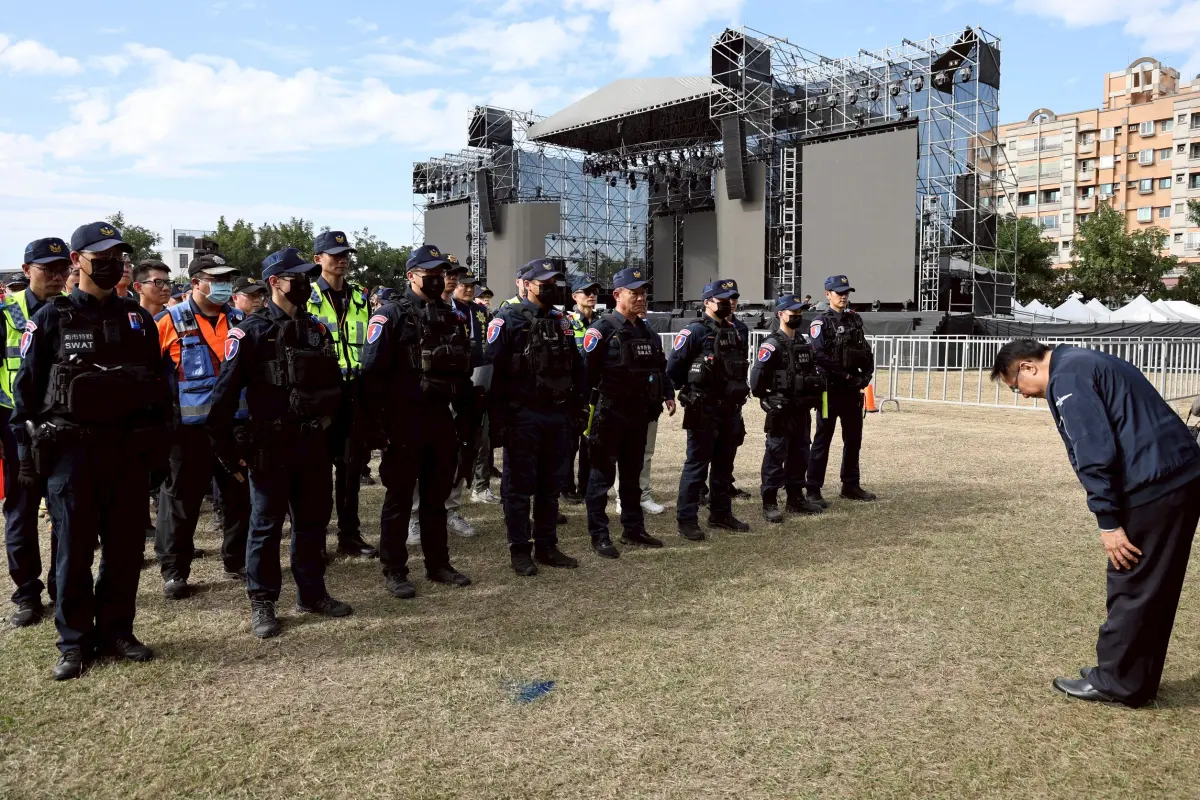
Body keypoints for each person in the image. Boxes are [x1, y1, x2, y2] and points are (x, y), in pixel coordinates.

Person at [993, 340, 1200, 706]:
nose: (1021, 395)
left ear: (1027, 367)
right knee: (1155, 586)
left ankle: (1117, 681)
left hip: (1152, 485)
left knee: (1132, 582)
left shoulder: (1067, 377)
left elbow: (1093, 449)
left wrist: (1109, 523)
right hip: (1177, 474)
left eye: (1014, 387)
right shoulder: (1083, 359)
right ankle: (1136, 678)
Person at [13, 221, 171, 680]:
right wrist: (27, 458)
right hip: (71, 456)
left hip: (126, 454)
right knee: (74, 553)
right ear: (77, 261)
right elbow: (26, 395)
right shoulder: (51, 319)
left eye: (117, 257)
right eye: (99, 256)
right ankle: (75, 642)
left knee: (123, 550)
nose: (110, 264)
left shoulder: (136, 317)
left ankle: (119, 631)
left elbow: (159, 390)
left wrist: (158, 453)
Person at [207, 247, 353, 639]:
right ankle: (263, 601)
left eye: (307, 276)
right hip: (269, 447)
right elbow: (222, 399)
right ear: (275, 282)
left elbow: (335, 390)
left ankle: (312, 593)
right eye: (297, 277)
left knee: (312, 524)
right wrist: (227, 454)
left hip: (312, 445)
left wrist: (338, 439)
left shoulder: (316, 328)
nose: (304, 284)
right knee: (266, 526)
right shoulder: (250, 331)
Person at [361, 244, 474, 599]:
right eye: (430, 271)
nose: (438, 277)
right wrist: (377, 429)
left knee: (435, 499)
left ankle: (438, 564)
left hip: (441, 419)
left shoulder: (452, 316)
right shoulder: (391, 315)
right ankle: (394, 569)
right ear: (411, 275)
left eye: (441, 271)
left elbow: (464, 372)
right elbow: (371, 376)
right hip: (403, 421)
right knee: (398, 500)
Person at [154, 253, 252, 599]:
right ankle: (175, 571)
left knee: (239, 497)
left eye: (229, 278)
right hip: (187, 433)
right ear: (196, 282)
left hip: (234, 429)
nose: (225, 285)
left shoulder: (241, 319)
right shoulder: (167, 321)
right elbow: (152, 375)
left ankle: (236, 560)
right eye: (218, 278)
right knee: (182, 500)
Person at [485, 258, 584, 576]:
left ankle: (547, 546)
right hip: (523, 415)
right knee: (518, 488)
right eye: (544, 281)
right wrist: (498, 422)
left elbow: (577, 367)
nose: (551, 287)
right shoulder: (507, 319)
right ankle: (519, 550)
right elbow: (492, 373)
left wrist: (577, 409)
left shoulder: (562, 320)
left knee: (550, 485)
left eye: (554, 281)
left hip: (557, 414)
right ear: (526, 284)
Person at [581, 267, 674, 558]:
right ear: (617, 294)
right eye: (634, 293)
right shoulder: (602, 329)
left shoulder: (648, 331)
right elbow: (585, 374)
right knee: (601, 477)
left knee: (632, 475)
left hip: (639, 415)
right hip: (610, 414)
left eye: (643, 293)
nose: (641, 298)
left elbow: (660, 367)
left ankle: (633, 529)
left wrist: (669, 393)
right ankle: (599, 534)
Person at [3, 237, 68, 628]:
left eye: (63, 270)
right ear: (27, 271)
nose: (57, 277)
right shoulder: (6, 315)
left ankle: (63, 590)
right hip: (16, 427)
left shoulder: (71, 312)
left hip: (61, 428)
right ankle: (27, 593)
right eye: (47, 270)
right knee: (21, 513)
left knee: (65, 514)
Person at [307, 230, 376, 558]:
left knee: (351, 470)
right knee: (318, 471)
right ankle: (317, 539)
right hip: (321, 392)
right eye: (335, 254)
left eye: (346, 253)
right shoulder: (306, 297)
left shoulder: (361, 297)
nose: (342, 259)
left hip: (355, 391)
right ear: (318, 258)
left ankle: (349, 535)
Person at [667, 279, 751, 541]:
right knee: (696, 466)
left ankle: (721, 514)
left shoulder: (737, 331)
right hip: (703, 409)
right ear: (707, 303)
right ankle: (687, 520)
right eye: (723, 299)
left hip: (729, 410)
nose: (729, 304)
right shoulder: (695, 332)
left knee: (724, 466)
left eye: (732, 298)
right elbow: (674, 370)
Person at [750, 294, 826, 523]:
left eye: (800, 312)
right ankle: (770, 501)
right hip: (781, 410)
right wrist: (767, 400)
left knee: (801, 453)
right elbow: (756, 380)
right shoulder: (772, 345)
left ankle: (796, 497)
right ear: (780, 314)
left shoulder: (803, 343)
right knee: (776, 454)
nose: (797, 316)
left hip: (801, 410)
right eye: (793, 312)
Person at [805, 275, 876, 504]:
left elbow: (865, 350)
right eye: (838, 292)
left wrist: (866, 376)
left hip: (851, 391)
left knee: (853, 438)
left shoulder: (855, 320)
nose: (843, 296)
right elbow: (819, 356)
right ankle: (813, 489)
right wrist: (845, 375)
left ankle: (850, 485)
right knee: (822, 440)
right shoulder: (820, 322)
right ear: (828, 295)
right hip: (829, 391)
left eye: (846, 292)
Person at [563, 276, 601, 504]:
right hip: (571, 393)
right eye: (585, 291)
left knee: (590, 442)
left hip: (594, 392)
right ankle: (566, 487)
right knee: (569, 443)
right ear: (574, 296)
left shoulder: (602, 323)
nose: (591, 295)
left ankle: (586, 485)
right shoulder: (565, 323)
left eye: (594, 291)